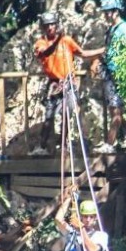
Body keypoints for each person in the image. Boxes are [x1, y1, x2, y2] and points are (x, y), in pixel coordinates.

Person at [32, 11, 103, 155]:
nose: (50, 27)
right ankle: (42, 147)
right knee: (49, 116)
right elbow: (46, 52)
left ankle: (63, 144)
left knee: (67, 113)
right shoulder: (41, 43)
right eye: (47, 25)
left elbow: (82, 53)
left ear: (56, 25)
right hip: (54, 83)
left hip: (69, 82)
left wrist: (101, 50)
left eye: (52, 24)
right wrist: (58, 40)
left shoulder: (67, 41)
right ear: (43, 28)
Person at [92, 0, 126, 154]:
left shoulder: (124, 28)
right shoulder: (111, 29)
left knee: (116, 112)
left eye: (108, 12)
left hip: (119, 74)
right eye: (104, 12)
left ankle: (110, 143)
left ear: (116, 11)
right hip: (109, 73)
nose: (106, 15)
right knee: (115, 112)